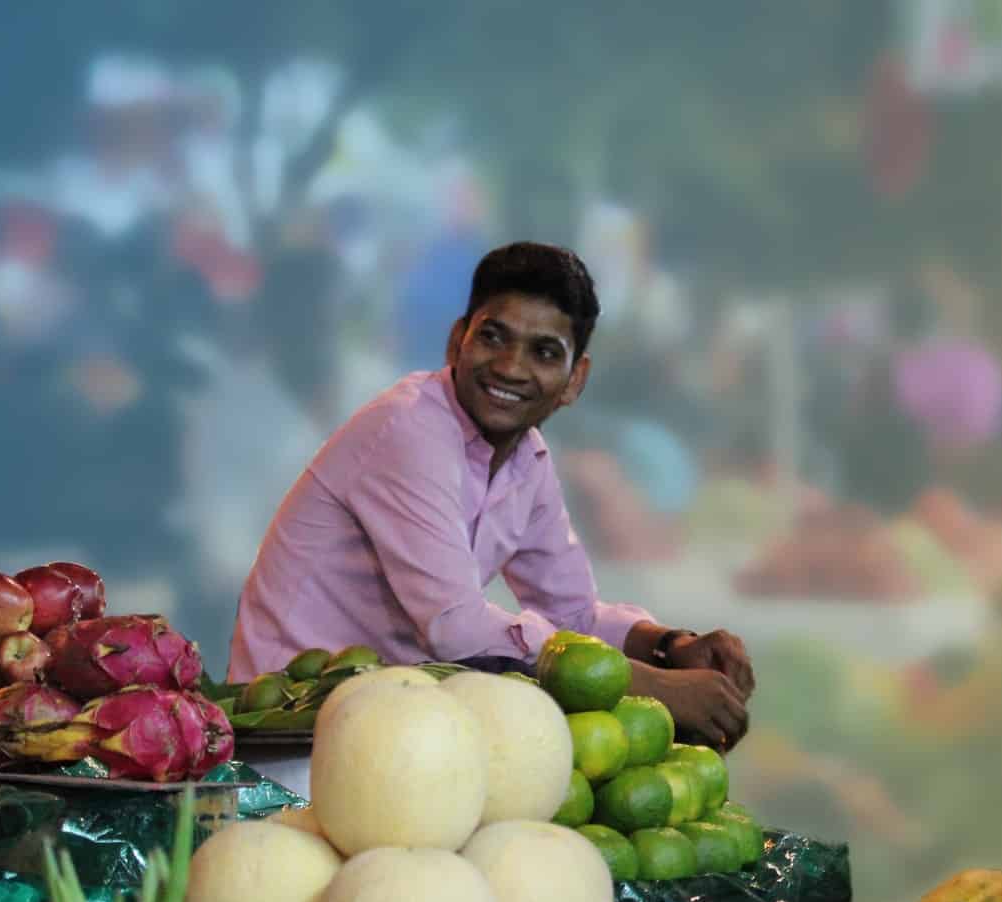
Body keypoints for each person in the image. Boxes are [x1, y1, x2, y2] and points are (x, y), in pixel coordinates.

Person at [230, 242, 754, 749]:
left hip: (381, 733)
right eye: (493, 338)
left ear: (575, 380)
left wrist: (670, 645)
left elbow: (573, 619)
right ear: (457, 341)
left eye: (544, 352)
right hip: (286, 741)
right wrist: (658, 687)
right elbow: (455, 629)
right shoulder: (408, 430)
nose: (509, 367)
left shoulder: (528, 459)